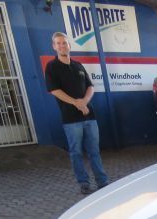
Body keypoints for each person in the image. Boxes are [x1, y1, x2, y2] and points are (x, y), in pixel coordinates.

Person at [44, 32, 109, 194]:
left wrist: (85, 102)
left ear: (69, 45)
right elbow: (54, 90)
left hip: (89, 116)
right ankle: (84, 182)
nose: (62, 46)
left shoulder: (78, 65)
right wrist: (77, 103)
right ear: (54, 47)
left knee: (94, 151)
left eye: (64, 43)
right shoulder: (52, 67)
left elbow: (90, 86)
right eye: (58, 43)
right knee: (76, 152)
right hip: (71, 119)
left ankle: (102, 181)